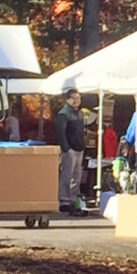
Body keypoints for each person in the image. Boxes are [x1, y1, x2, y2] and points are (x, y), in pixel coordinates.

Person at [53, 87, 93, 215]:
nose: (76, 101)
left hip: (79, 149)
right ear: (68, 100)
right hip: (69, 150)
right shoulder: (63, 114)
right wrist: (66, 148)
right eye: (74, 98)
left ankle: (73, 200)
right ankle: (64, 201)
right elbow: (60, 133)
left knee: (77, 176)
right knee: (67, 175)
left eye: (78, 98)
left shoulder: (80, 113)